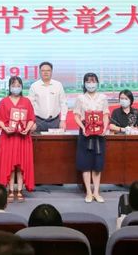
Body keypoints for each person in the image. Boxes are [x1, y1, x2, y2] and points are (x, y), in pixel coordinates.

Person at [0, 76, 36, 203]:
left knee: (21, 165)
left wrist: (27, 129)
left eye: (18, 85)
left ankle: (20, 190)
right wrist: (5, 128)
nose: (16, 88)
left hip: (23, 138)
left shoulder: (26, 101)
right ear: (9, 87)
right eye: (13, 85)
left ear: (22, 87)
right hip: (8, 138)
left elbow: (31, 119)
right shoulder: (4, 102)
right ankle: (10, 190)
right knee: (10, 165)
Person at [73, 73, 110, 203]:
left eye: (93, 81)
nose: (91, 84)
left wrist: (104, 129)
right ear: (84, 84)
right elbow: (76, 115)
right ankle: (88, 192)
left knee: (97, 164)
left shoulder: (103, 98)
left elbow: (105, 115)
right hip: (85, 133)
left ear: (97, 83)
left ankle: (96, 192)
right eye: (88, 82)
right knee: (86, 164)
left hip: (99, 135)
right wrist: (83, 128)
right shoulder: (80, 98)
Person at [28, 62, 67, 132]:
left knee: (56, 140)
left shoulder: (58, 85)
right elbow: (30, 105)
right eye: (43, 70)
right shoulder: (34, 86)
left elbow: (63, 103)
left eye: (48, 70)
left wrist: (63, 120)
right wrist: (32, 121)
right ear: (39, 72)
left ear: (51, 72)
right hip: (38, 121)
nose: (45, 73)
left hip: (55, 121)